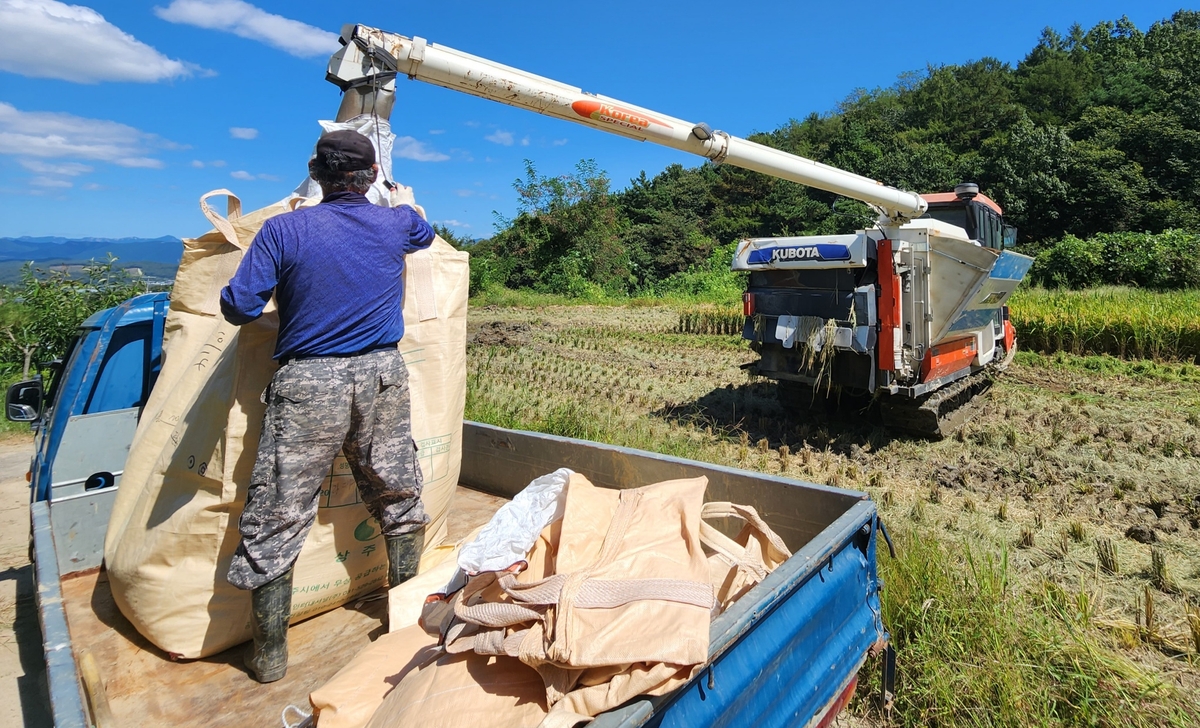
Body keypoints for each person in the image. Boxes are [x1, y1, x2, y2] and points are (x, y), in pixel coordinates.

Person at [218, 129, 435, 683]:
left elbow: (239, 308)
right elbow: (424, 231)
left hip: (309, 383)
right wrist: (392, 192)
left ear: (315, 173)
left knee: (279, 510)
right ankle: (405, 626)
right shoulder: (397, 223)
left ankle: (269, 655)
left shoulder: (283, 230)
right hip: (382, 376)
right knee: (398, 491)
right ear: (370, 179)